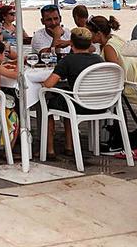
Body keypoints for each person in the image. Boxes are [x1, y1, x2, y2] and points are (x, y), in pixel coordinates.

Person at [41, 27, 103, 157]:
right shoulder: (98, 59)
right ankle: (69, 145)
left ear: (72, 43)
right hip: (101, 105)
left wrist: (41, 82)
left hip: (78, 106)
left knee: (48, 100)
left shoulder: (68, 61)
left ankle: (49, 149)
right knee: (67, 97)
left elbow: (49, 84)